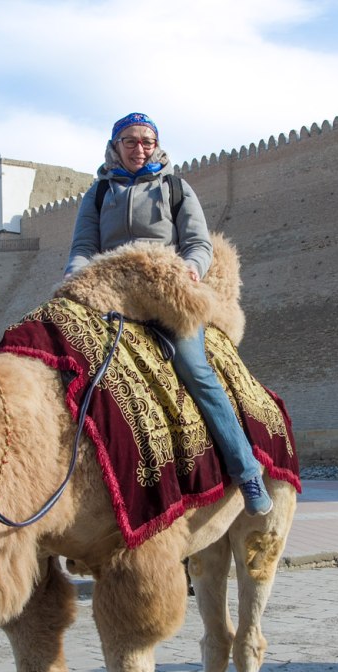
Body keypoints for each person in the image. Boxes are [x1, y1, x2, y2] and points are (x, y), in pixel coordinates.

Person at [65, 112, 273, 515]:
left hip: (165, 289)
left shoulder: (175, 188)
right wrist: (76, 278)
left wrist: (192, 267)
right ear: (115, 146)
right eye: (130, 141)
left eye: (147, 141)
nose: (139, 149)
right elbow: (83, 248)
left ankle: (246, 471)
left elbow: (198, 243)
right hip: (112, 292)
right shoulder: (98, 193)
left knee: (194, 369)